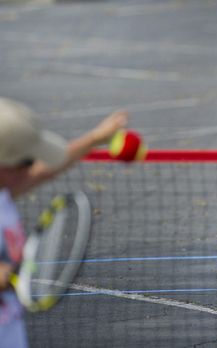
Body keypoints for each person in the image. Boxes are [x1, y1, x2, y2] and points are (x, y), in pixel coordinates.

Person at [0, 97, 128, 347]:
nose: (31, 169)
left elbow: (46, 169)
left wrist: (95, 138)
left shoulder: (4, 191)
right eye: (27, 162)